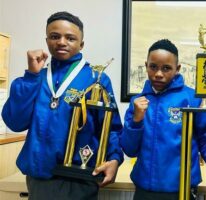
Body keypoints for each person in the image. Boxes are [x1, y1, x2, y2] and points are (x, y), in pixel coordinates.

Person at [1, 11, 123, 200]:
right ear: (47, 39)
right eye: (55, 36)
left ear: (81, 44)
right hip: (40, 176)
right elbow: (15, 122)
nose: (61, 42)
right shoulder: (36, 77)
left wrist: (115, 158)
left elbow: (112, 128)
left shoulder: (96, 80)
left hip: (79, 177)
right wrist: (31, 76)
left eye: (70, 38)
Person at [120, 39, 206, 200]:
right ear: (146, 66)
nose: (158, 74)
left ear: (177, 69)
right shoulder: (138, 102)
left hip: (182, 189)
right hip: (144, 190)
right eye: (153, 67)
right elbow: (129, 150)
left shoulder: (192, 99)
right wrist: (136, 121)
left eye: (166, 68)